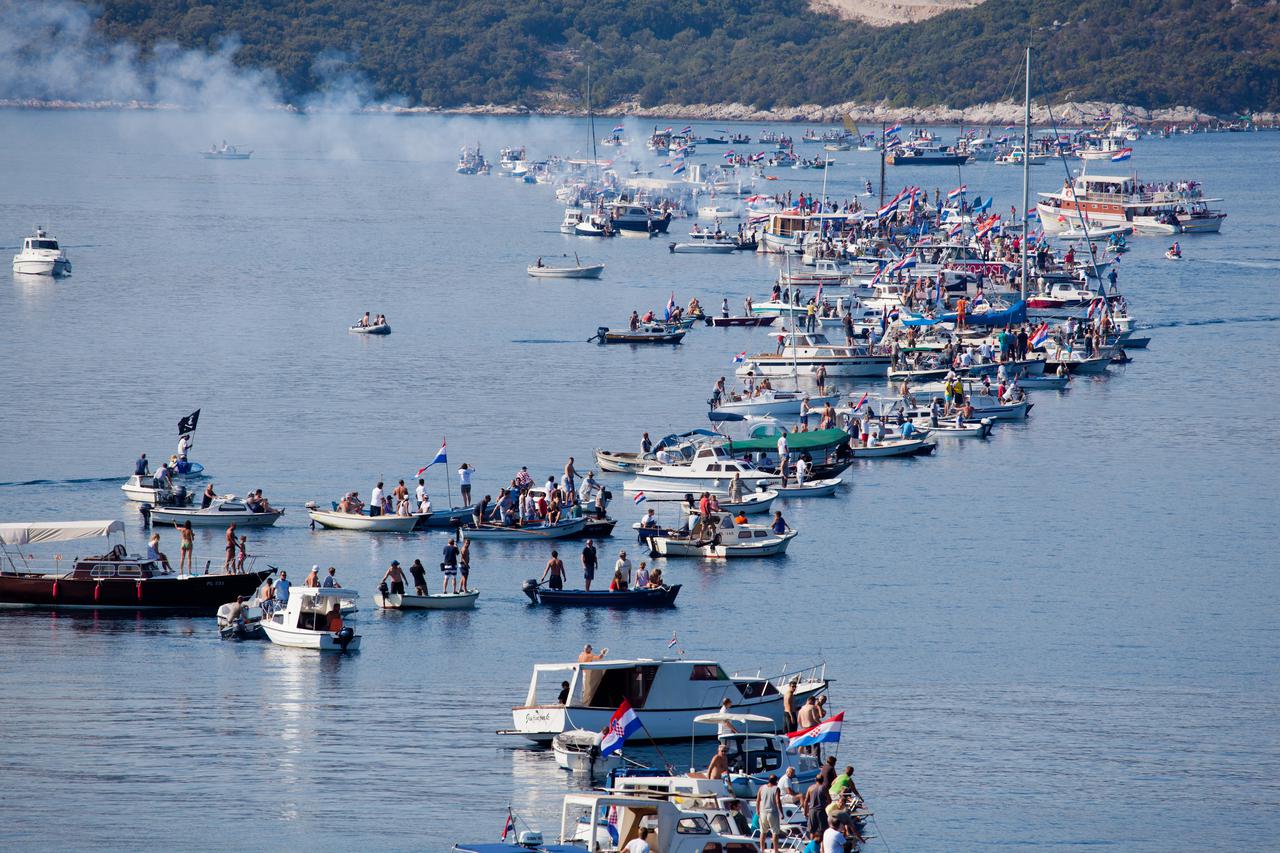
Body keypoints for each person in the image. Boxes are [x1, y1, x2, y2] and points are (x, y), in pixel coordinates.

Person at [757, 774, 784, 853]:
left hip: (763, 812)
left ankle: (762, 850)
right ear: (776, 781)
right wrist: (781, 813)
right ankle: (776, 850)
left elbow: (758, 800)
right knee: (775, 832)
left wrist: (757, 810)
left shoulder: (761, 787)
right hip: (772, 813)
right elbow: (777, 801)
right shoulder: (776, 789)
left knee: (763, 832)